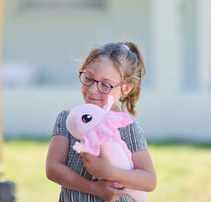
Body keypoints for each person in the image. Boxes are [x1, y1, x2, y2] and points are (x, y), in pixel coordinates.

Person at [46, 41, 157, 202]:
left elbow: (149, 181)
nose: (92, 89)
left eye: (105, 85)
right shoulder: (68, 120)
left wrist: (110, 172)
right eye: (88, 78)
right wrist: (94, 188)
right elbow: (53, 169)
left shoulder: (127, 127)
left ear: (126, 89)